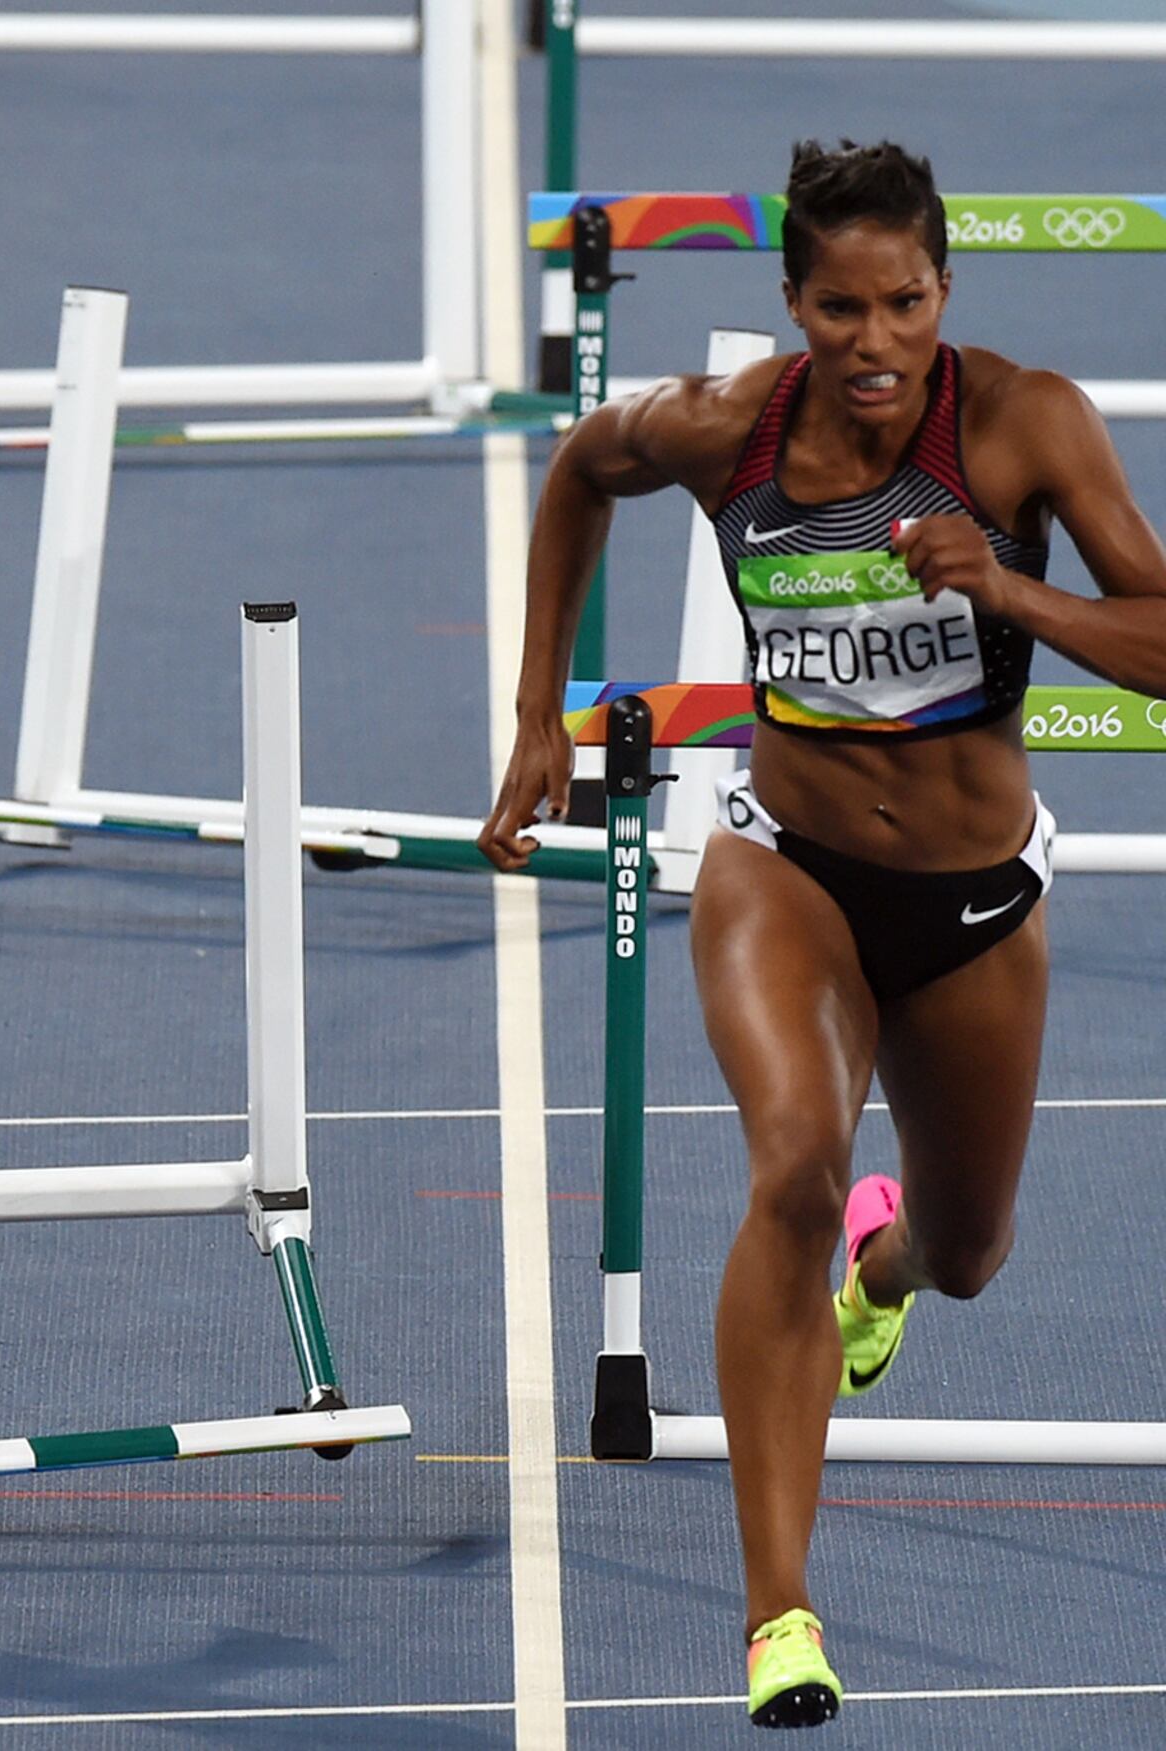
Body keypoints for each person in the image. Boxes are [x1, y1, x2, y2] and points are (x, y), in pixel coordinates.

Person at [480, 141, 1166, 1727]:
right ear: (793, 306)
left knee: (971, 1252)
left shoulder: (1020, 423)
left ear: (946, 292)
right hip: (782, 865)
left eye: (905, 305)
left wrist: (1013, 591)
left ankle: (891, 1263)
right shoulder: (731, 432)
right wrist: (539, 718)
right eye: (841, 310)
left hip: (977, 898)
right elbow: (583, 466)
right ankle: (778, 1612)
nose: (875, 344)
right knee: (789, 1159)